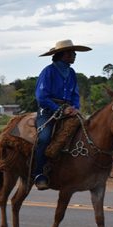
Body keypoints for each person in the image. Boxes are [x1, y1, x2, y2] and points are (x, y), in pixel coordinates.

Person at [34, 39, 91, 190]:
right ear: (63, 54)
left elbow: (75, 95)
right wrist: (59, 109)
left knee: (85, 132)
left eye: (74, 52)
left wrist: (75, 108)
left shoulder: (71, 73)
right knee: (44, 137)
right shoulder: (48, 71)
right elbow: (41, 97)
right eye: (72, 53)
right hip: (47, 111)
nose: (75, 55)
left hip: (68, 110)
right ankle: (39, 174)